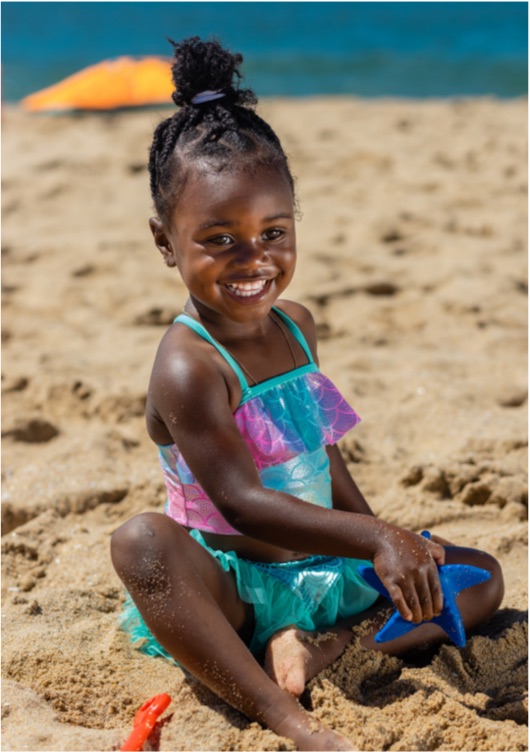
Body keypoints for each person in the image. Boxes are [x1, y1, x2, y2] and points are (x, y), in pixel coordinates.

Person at [111, 36, 504, 751]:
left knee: (479, 576)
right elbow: (240, 501)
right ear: (166, 242)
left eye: (274, 232)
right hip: (231, 588)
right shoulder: (188, 366)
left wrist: (387, 542)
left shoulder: (297, 327)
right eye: (219, 239)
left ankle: (325, 646)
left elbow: (321, 454)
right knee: (140, 544)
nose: (253, 259)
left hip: (321, 572)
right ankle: (283, 712)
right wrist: (375, 539)